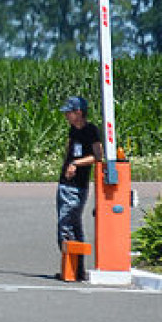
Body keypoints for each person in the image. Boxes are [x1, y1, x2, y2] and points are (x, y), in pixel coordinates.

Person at [56, 94, 102, 281]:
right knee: (70, 225)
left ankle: (74, 269)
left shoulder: (91, 131)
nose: (66, 116)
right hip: (66, 183)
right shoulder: (72, 131)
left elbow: (97, 156)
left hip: (77, 186)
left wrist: (76, 163)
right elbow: (69, 150)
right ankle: (74, 268)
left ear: (79, 112)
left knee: (67, 225)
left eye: (69, 112)